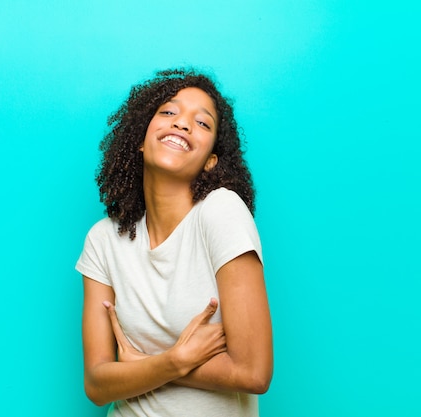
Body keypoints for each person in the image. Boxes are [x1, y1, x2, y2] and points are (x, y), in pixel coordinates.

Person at [75, 68, 273, 417]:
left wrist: (141, 364)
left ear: (212, 161)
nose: (181, 124)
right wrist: (173, 361)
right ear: (140, 137)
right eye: (168, 112)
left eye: (203, 123)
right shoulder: (102, 239)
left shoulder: (221, 212)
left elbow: (254, 372)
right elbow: (96, 384)